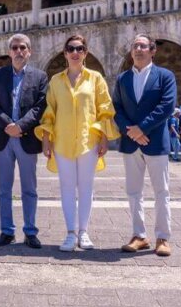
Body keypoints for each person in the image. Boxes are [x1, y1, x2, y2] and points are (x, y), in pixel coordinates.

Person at [35, 35, 118, 251]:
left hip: (88, 140)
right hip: (62, 141)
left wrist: (104, 138)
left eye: (79, 48)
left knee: (86, 187)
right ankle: (71, 233)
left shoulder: (96, 78)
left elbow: (104, 109)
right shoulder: (55, 81)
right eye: (71, 49)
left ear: (85, 53)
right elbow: (49, 111)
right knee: (67, 187)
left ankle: (84, 232)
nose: (75, 52)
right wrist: (46, 139)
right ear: (65, 53)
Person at [113, 34, 177, 257]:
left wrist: (142, 129)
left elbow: (166, 106)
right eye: (135, 46)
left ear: (152, 50)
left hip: (155, 141)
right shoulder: (122, 78)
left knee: (161, 191)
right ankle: (139, 235)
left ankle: (163, 237)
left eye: (142, 46)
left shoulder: (165, 76)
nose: (138, 49)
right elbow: (116, 108)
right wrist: (130, 130)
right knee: (133, 191)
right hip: (131, 142)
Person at [0, 34, 47, 249]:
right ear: (9, 52)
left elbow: (40, 106)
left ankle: (30, 231)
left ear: (29, 51)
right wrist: (8, 125)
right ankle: (6, 231)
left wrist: (20, 126)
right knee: (4, 189)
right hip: (4, 138)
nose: (19, 51)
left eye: (23, 47)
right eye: (14, 48)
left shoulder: (39, 76)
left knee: (29, 188)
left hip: (26, 137)